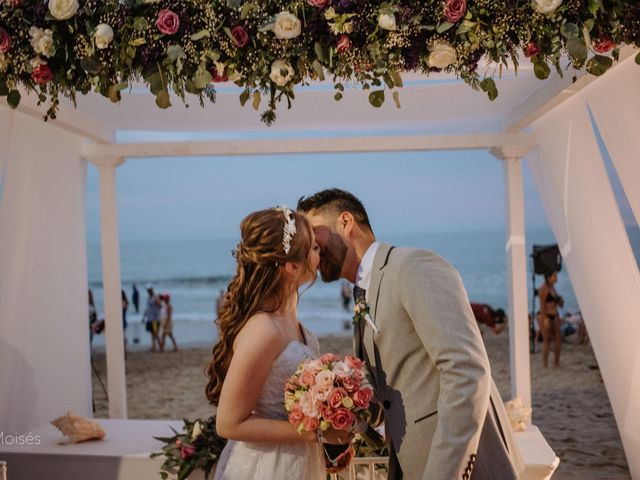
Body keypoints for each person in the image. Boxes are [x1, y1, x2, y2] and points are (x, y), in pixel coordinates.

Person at [298, 189, 524, 480]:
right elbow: (392, 394)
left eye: (315, 233)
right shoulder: (362, 293)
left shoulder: (412, 266)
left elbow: (467, 371)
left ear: (345, 222)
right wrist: (343, 412)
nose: (311, 247)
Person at [205, 207, 350, 480]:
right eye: (315, 248)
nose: (321, 256)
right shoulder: (264, 329)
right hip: (269, 467)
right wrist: (314, 432)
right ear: (291, 267)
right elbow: (229, 423)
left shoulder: (289, 319)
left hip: (302, 463)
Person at [538, 271, 564, 367]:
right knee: (547, 340)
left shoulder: (553, 288)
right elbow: (542, 306)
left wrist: (560, 301)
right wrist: (545, 320)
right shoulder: (543, 289)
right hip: (546, 316)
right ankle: (545, 364)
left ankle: (556, 362)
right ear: (548, 277)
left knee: (558, 339)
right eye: (554, 275)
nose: (556, 277)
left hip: (555, 315)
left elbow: (559, 305)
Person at [142, 285, 162, 352]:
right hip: (150, 318)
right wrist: (144, 316)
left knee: (156, 333)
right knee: (152, 333)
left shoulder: (155, 297)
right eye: (148, 290)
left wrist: (158, 303)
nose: (148, 291)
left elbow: (160, 306)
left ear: (152, 290)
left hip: (155, 319)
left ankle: (161, 347)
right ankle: (154, 347)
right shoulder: (149, 298)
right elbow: (147, 308)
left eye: (149, 290)